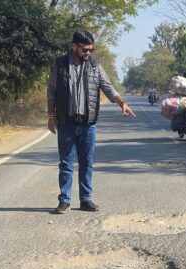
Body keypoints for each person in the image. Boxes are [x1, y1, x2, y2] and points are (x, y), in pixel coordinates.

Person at [47, 29, 135, 214]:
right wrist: (51, 117)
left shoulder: (95, 66)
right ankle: (64, 200)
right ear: (74, 46)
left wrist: (122, 104)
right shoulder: (60, 64)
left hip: (88, 124)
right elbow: (52, 92)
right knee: (66, 164)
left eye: (90, 50)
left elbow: (108, 87)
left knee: (87, 163)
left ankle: (86, 199)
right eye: (85, 49)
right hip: (66, 123)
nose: (88, 53)